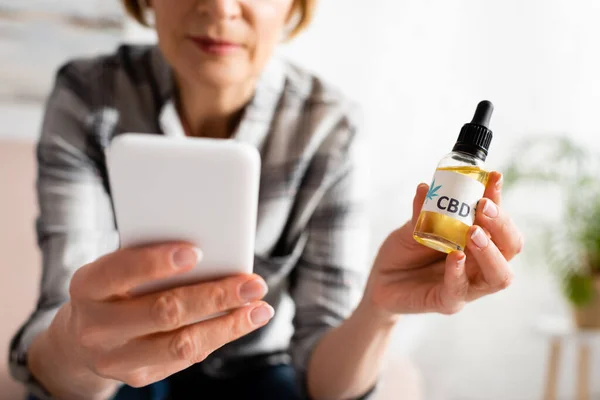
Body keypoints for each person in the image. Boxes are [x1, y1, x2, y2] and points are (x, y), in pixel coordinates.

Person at [9, 0, 524, 399]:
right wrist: (82, 347)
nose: (219, 7)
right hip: (117, 375)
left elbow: (325, 380)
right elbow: (59, 327)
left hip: (258, 373)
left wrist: (379, 310)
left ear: (295, 6)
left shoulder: (331, 129)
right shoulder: (87, 95)